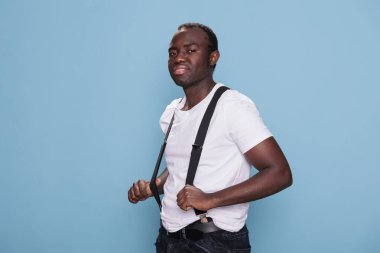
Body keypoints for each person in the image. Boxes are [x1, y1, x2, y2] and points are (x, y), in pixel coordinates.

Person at [128, 23, 292, 253]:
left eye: (190, 50)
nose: (178, 58)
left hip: (214, 242)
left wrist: (210, 199)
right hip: (168, 239)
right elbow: (184, 165)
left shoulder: (232, 106)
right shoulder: (171, 112)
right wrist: (154, 187)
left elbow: (280, 173)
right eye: (173, 53)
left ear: (213, 57)